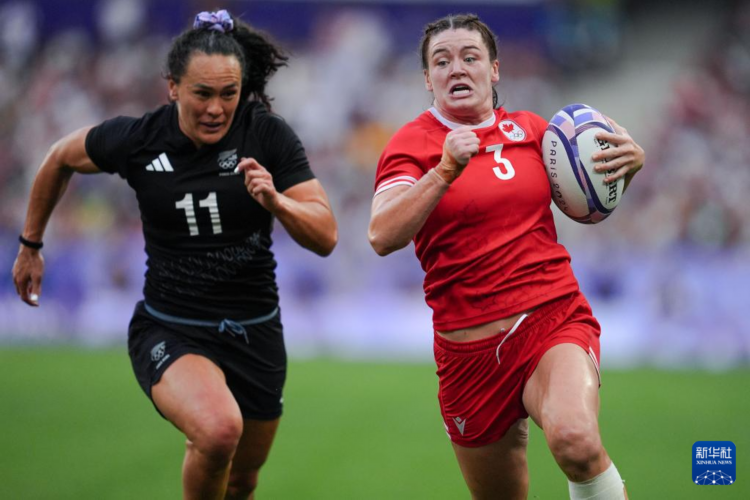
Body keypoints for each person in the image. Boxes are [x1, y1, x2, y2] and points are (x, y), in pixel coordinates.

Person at [12, 9, 337, 500]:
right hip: (172, 326)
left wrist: (278, 202)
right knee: (218, 430)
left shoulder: (266, 134)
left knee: (242, 479)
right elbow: (59, 157)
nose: (216, 109)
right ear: (172, 87)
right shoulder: (140, 138)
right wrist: (31, 245)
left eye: (228, 93)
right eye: (202, 94)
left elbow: (326, 235)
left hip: (255, 332)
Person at [368, 14, 644, 500]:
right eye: (442, 61)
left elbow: (589, 209)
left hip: (550, 320)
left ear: (493, 69)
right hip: (468, 355)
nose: (457, 68)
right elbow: (382, 234)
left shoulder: (536, 132)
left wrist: (626, 170)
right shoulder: (411, 144)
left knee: (575, 440)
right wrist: (443, 171)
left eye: (470, 57)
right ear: (427, 78)